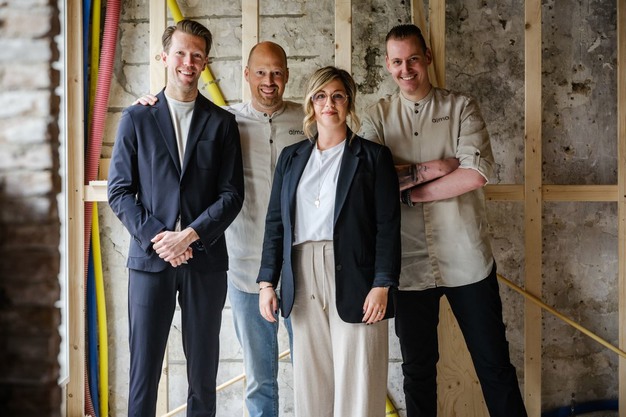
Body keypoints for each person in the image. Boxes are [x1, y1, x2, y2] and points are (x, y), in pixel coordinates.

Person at [359, 24, 528, 417]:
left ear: (428, 58)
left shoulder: (461, 107)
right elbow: (370, 182)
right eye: (397, 62)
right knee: (417, 372)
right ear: (387, 65)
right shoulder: (377, 117)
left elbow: (475, 174)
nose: (406, 69)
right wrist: (439, 167)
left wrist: (409, 192)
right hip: (408, 265)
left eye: (413, 59)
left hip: (467, 259)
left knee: (494, 366)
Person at [134, 41, 303, 417]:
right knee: (259, 379)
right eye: (261, 72)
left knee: (310, 371)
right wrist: (149, 104)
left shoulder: (308, 118)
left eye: (277, 72)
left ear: (287, 75)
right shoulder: (225, 121)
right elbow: (178, 122)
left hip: (300, 267)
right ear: (247, 75)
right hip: (247, 266)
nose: (269, 80)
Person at [107, 19, 244, 416]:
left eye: (197, 55)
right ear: (164, 57)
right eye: (181, 53)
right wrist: (161, 238)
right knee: (143, 371)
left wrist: (189, 236)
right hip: (150, 262)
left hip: (205, 261)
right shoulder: (136, 118)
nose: (188, 62)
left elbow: (232, 195)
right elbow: (120, 191)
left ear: (206, 62)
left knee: (203, 372)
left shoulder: (222, 123)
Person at [257, 66, 401, 417]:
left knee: (359, 375)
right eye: (320, 96)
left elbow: (387, 226)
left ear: (349, 102)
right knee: (312, 377)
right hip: (302, 274)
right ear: (311, 102)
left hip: (357, 274)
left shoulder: (373, 157)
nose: (329, 104)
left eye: (337, 96)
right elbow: (275, 223)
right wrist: (266, 282)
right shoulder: (291, 157)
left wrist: (382, 284)